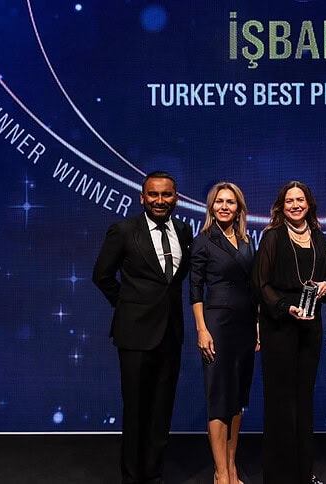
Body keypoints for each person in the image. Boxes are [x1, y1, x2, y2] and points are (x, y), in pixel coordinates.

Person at [92, 170, 193, 484]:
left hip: (170, 335)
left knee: (161, 411)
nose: (160, 200)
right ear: (142, 197)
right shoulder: (123, 231)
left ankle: (154, 475)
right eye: (153, 194)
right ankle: (132, 477)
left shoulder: (184, 230)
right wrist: (128, 306)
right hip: (135, 335)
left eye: (166, 194)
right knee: (136, 411)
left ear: (176, 198)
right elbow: (102, 276)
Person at [251, 181, 326, 484]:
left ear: (309, 204)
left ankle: (303, 472)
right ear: (281, 206)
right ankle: (279, 476)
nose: (296, 205)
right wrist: (286, 307)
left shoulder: (319, 237)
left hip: (310, 326)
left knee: (303, 400)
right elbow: (260, 283)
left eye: (300, 200)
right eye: (290, 201)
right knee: (280, 401)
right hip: (280, 326)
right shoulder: (272, 237)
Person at [188, 182, 258, 484]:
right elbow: (195, 289)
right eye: (219, 202)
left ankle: (231, 467)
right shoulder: (203, 241)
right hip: (217, 325)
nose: (224, 207)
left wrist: (257, 325)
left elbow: (253, 286)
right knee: (219, 398)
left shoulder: (246, 241)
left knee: (237, 398)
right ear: (211, 207)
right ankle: (220, 472)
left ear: (239, 208)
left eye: (230, 202)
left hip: (245, 326)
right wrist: (202, 329)